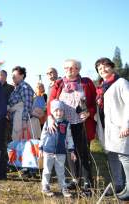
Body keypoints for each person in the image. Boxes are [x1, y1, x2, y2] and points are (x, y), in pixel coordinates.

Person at [47, 59, 96, 193]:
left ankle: (88, 182)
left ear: (78, 70)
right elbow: (51, 103)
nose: (70, 70)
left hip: (81, 124)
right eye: (67, 68)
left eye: (73, 68)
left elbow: (94, 104)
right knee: (70, 152)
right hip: (64, 125)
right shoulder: (59, 84)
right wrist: (50, 117)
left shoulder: (86, 82)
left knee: (83, 152)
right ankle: (76, 180)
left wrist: (89, 113)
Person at [95, 57, 129, 200]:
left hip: (120, 127)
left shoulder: (121, 82)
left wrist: (126, 124)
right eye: (100, 68)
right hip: (107, 129)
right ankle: (119, 185)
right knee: (112, 157)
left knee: (124, 157)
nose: (103, 70)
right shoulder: (102, 88)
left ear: (112, 67)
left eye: (106, 66)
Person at [39, 100, 76, 198]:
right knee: (47, 170)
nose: (59, 113)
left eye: (61, 110)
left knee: (61, 171)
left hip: (61, 152)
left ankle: (63, 187)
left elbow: (69, 137)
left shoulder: (66, 124)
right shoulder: (48, 122)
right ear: (52, 111)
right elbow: (43, 135)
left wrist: (71, 150)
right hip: (48, 151)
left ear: (63, 111)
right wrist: (41, 148)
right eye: (56, 111)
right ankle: (45, 186)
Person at [8, 66, 35, 141]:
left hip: (21, 121)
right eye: (12, 75)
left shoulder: (24, 87)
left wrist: (24, 121)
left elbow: (27, 105)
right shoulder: (16, 88)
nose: (12, 76)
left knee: (22, 145)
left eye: (15, 74)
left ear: (22, 75)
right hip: (16, 120)